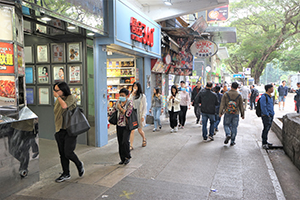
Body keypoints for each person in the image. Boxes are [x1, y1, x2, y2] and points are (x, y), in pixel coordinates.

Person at [53, 82, 84, 183]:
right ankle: (66, 173)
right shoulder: (59, 99)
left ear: (63, 89)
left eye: (57, 90)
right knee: (62, 153)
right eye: (55, 90)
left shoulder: (71, 97)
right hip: (60, 129)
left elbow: (64, 106)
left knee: (68, 152)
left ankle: (79, 164)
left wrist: (58, 97)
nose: (55, 92)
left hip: (70, 129)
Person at [109, 88, 133, 164]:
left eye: (123, 95)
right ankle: (122, 158)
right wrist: (109, 115)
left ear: (127, 96)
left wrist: (120, 108)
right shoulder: (118, 102)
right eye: (120, 95)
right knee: (120, 142)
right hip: (119, 125)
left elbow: (128, 113)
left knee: (125, 141)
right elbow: (113, 110)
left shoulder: (130, 103)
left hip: (126, 125)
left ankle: (127, 156)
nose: (121, 97)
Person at [219, 82, 245, 146]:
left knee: (226, 125)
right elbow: (241, 105)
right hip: (236, 113)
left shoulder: (226, 94)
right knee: (234, 127)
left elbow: (222, 104)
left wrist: (220, 112)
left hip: (227, 112)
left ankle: (228, 134)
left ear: (231, 86)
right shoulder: (239, 95)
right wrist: (242, 114)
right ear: (237, 87)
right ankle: (232, 141)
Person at [129, 82, 147, 150]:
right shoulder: (132, 95)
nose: (135, 88)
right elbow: (129, 102)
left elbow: (144, 107)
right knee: (132, 130)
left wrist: (143, 115)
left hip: (139, 114)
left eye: (136, 86)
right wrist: (132, 95)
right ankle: (131, 145)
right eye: (134, 86)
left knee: (140, 130)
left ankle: (144, 138)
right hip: (133, 115)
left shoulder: (142, 96)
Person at [260, 84, 275, 149]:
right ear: (268, 89)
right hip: (266, 116)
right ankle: (264, 142)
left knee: (268, 128)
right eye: (272, 88)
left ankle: (266, 141)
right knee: (266, 128)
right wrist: (267, 114)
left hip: (270, 115)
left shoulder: (270, 96)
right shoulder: (264, 96)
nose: (273, 89)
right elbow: (263, 106)